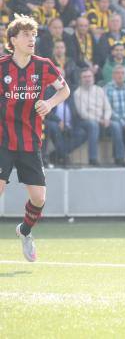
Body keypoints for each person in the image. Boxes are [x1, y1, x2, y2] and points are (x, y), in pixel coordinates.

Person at [0, 15, 71, 262]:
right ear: (13, 40)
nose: (32, 39)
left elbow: (64, 89)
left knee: (39, 198)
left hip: (30, 140)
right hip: (3, 140)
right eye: (26, 35)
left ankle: (24, 231)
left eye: (33, 35)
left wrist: (50, 103)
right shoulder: (1, 67)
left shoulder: (43, 65)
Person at [73, 67, 115, 166]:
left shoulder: (99, 90)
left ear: (93, 77)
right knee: (93, 125)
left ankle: (119, 157)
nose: (87, 79)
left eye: (89, 76)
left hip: (103, 120)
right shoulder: (77, 93)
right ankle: (93, 158)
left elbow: (108, 108)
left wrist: (106, 118)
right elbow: (82, 113)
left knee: (116, 125)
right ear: (81, 79)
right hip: (85, 121)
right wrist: (99, 120)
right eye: (85, 77)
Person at [105, 65, 125, 164]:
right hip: (112, 119)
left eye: (122, 73)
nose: (120, 75)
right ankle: (120, 157)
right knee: (116, 126)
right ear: (113, 75)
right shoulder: (107, 89)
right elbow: (107, 109)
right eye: (117, 73)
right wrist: (123, 122)